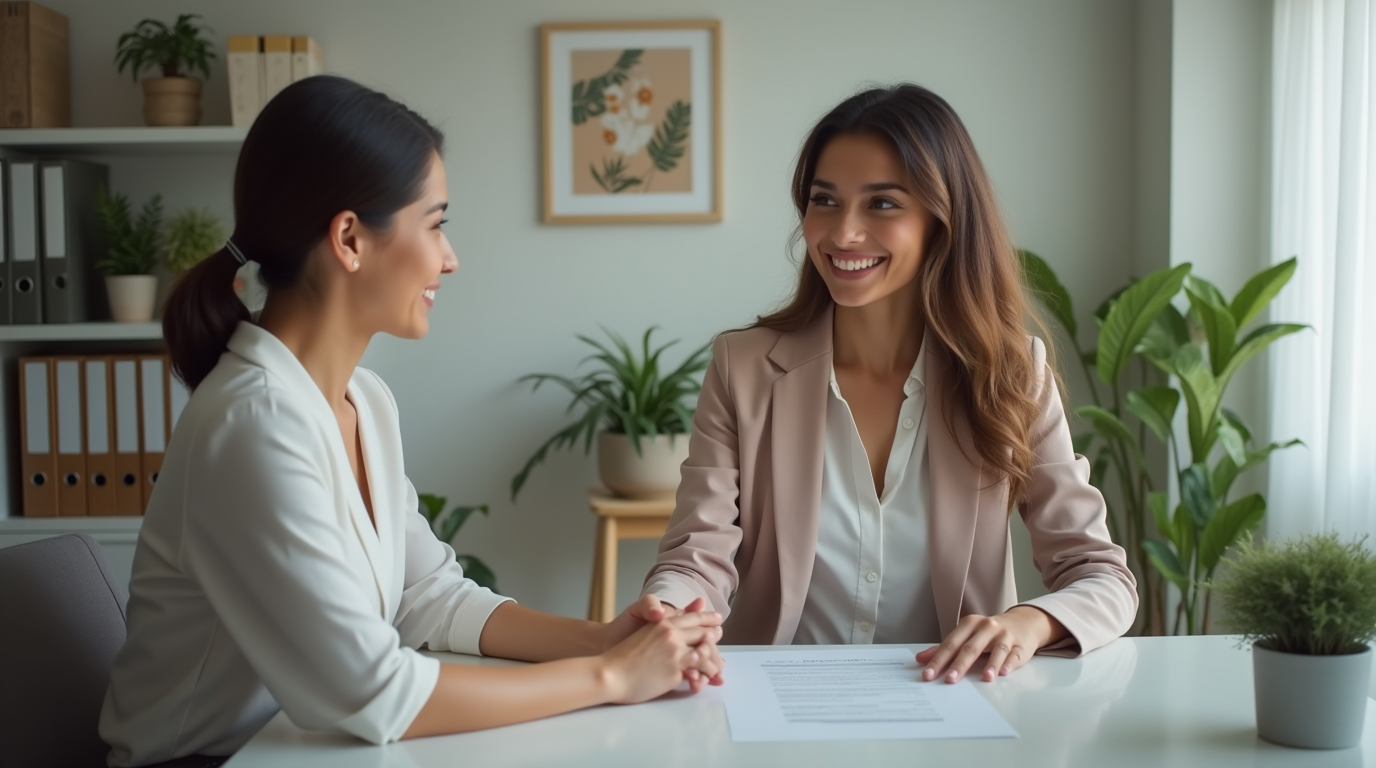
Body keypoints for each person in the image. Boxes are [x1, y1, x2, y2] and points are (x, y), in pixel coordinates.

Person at [99, 76, 723, 768]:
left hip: (297, 751)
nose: (449, 258)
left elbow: (428, 597)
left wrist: (602, 639)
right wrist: (611, 678)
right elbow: (374, 694)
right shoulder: (253, 425)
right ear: (350, 239)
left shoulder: (363, 401)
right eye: (435, 223)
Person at [640, 84, 1137, 684]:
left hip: (955, 704)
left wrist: (1027, 623)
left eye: (881, 205)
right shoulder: (743, 367)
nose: (842, 233)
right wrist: (669, 611)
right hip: (775, 699)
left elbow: (1100, 576)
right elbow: (700, 554)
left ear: (942, 218)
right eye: (825, 201)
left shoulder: (1012, 373)